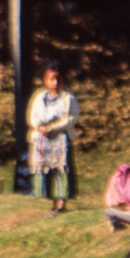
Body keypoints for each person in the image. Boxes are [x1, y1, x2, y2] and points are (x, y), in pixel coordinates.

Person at [27, 60, 79, 216]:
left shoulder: (68, 97)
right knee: (41, 168)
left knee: (61, 169)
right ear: (45, 80)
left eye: (58, 79)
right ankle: (42, 200)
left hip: (60, 138)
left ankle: (61, 201)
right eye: (51, 78)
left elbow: (72, 118)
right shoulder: (39, 97)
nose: (55, 82)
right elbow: (32, 116)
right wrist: (39, 127)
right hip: (42, 138)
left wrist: (53, 127)